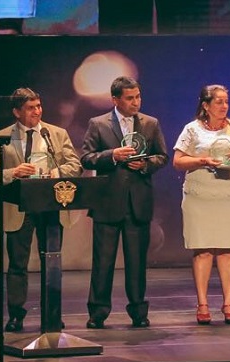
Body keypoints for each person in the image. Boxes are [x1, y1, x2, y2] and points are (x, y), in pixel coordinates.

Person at [0, 87, 83, 331]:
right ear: (17, 112)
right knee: (17, 264)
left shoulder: (56, 133)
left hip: (50, 205)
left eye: (39, 106)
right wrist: (13, 172)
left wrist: (55, 173)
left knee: (51, 262)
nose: (37, 111)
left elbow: (75, 164)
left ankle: (52, 313)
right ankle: (16, 315)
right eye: (30, 108)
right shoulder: (1, 137)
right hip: (19, 207)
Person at [80, 76, 168, 329]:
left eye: (138, 97)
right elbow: (86, 158)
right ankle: (98, 312)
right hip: (107, 203)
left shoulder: (150, 123)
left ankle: (139, 312)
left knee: (137, 263)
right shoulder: (98, 124)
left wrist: (146, 164)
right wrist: (112, 156)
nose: (136, 102)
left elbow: (162, 156)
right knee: (103, 263)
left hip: (138, 203)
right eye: (130, 98)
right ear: (115, 99)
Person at [173, 84, 230, 325]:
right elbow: (178, 161)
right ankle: (202, 304)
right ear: (206, 105)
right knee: (203, 250)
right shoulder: (191, 129)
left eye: (226, 101)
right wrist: (201, 160)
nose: (224, 106)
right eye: (219, 101)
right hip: (200, 197)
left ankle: (228, 303)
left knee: (227, 250)